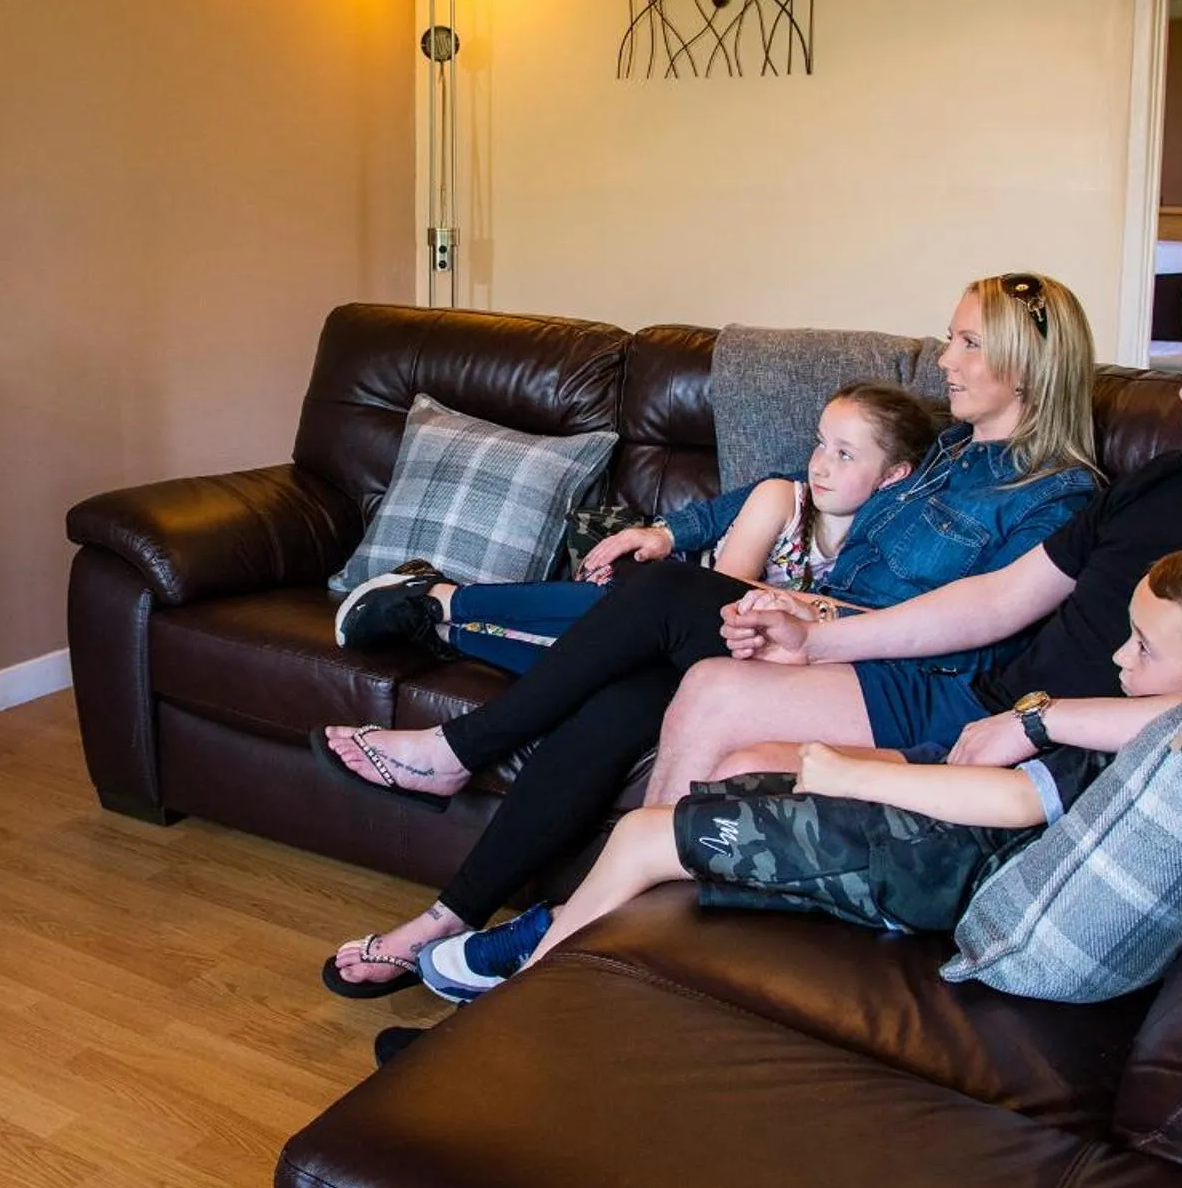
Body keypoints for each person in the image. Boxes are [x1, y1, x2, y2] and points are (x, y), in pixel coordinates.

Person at [318, 273, 1102, 999]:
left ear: (1028, 366)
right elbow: (789, 494)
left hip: (905, 681)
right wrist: (674, 531)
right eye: (950, 337)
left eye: (968, 344)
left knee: (661, 599)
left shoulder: (1059, 496)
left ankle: (466, 757)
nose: (944, 360)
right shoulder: (943, 455)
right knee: (625, 693)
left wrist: (811, 624)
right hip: (816, 630)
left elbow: (971, 632)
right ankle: (458, 912)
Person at [426, 548, 1182, 999]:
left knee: (646, 833)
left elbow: (1000, 798)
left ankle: (531, 982)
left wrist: (845, 773)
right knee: (714, 772)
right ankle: (596, 957)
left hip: (927, 862)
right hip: (927, 845)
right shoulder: (1155, 727)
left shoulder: (1126, 746)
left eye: (1141, 647)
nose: (1114, 655)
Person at [643, 289, 1182, 809]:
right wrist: (817, 641)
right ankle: (598, 937)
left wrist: (1044, 722)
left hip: (1041, 761)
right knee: (716, 691)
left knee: (743, 768)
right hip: (979, 702)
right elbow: (1000, 597)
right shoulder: (1165, 480)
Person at [334, 382, 941, 674]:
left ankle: (443, 627)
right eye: (820, 443)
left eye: (844, 454)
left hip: (723, 646)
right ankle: (440, 594)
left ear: (894, 475)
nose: (820, 463)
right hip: (681, 604)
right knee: (615, 629)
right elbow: (716, 602)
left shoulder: (887, 550)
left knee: (601, 670)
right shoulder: (781, 498)